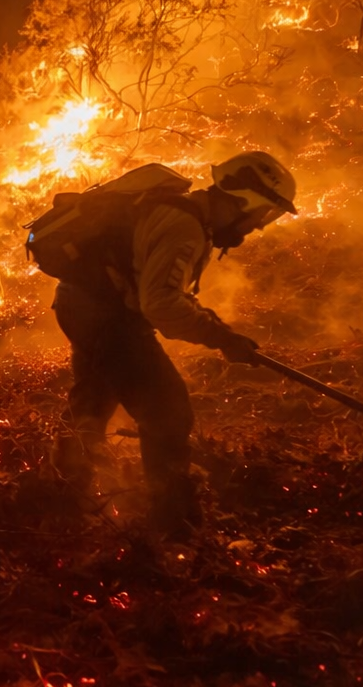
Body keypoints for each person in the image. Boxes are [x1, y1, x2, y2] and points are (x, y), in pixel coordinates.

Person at [48, 151, 298, 537]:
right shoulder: (184, 225)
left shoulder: (180, 213)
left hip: (81, 304)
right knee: (166, 411)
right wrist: (220, 338)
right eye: (263, 214)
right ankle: (174, 526)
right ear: (242, 200)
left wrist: (220, 331)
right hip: (106, 316)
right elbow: (161, 304)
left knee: (93, 401)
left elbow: (156, 288)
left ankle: (61, 500)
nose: (259, 227)